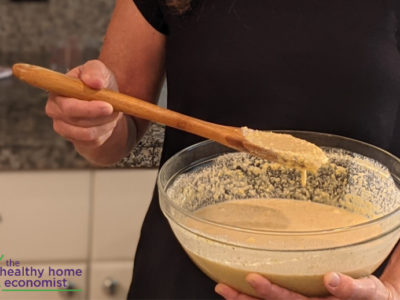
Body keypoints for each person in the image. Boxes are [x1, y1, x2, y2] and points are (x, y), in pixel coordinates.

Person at [45, 0, 400, 299]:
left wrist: (392, 288)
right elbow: (121, 125)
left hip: (358, 282)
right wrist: (96, 124)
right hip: (188, 270)